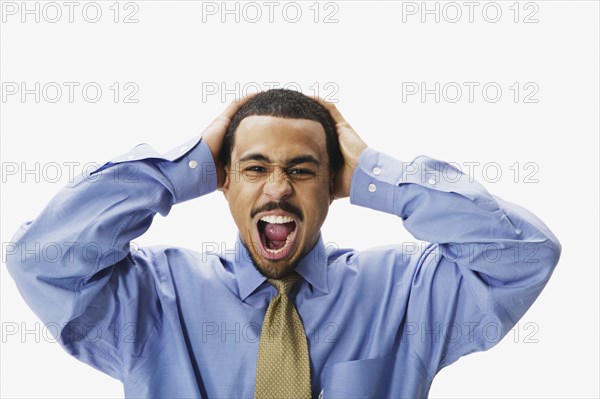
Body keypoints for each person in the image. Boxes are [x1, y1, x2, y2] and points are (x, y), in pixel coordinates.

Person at [6, 89, 561, 398]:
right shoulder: (154, 297)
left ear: (334, 186)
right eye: (254, 168)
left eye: (301, 169)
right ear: (222, 181)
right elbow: (41, 258)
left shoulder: (406, 293)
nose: (277, 188)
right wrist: (182, 169)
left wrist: (377, 175)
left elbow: (526, 255)